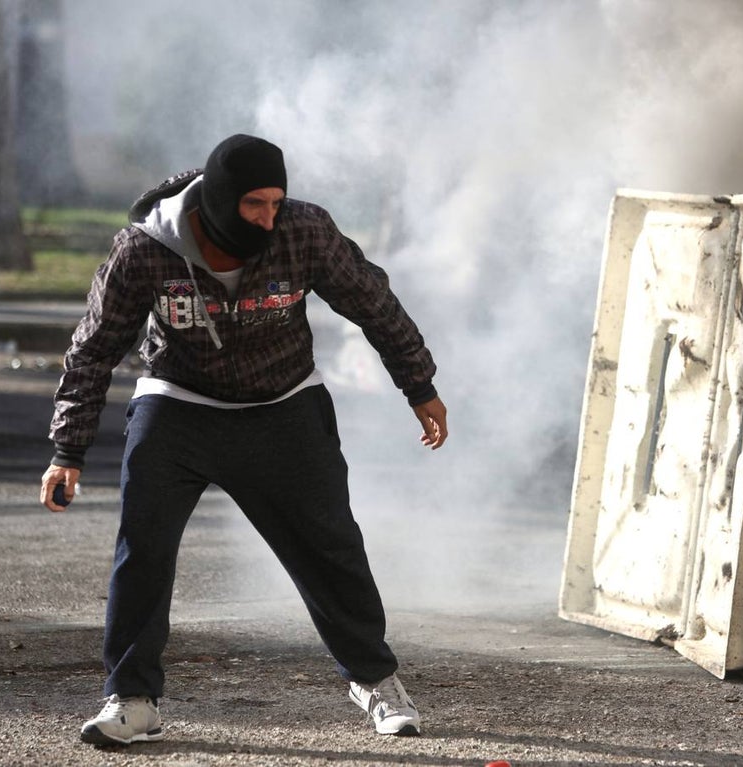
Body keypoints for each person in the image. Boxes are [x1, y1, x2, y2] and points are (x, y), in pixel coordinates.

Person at [39, 133, 448, 746]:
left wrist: (418, 384)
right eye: (255, 204)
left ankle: (375, 680)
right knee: (143, 548)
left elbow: (373, 301)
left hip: (283, 404)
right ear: (218, 201)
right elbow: (94, 349)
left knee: (330, 546)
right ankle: (133, 698)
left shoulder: (303, 231)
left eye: (276, 202)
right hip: (178, 404)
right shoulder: (145, 250)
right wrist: (68, 450)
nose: (267, 217)